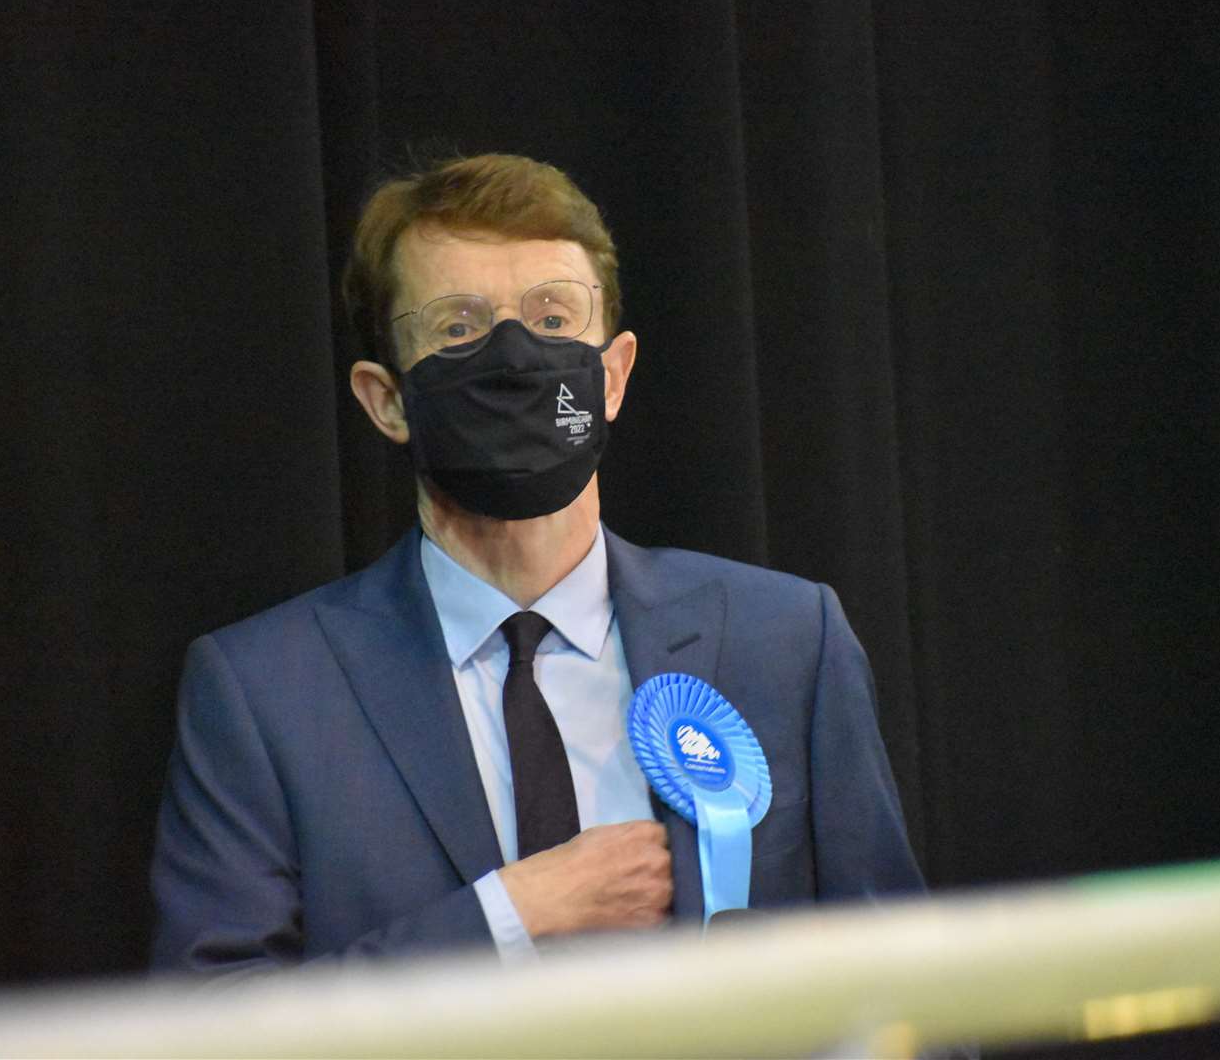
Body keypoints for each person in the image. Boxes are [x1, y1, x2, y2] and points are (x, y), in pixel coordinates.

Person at [150, 154, 924, 973]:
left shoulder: (788, 641)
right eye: (459, 328)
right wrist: (508, 918)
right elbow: (216, 1021)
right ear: (386, 400)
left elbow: (912, 987)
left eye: (553, 320)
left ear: (614, 375)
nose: (515, 358)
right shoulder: (265, 693)